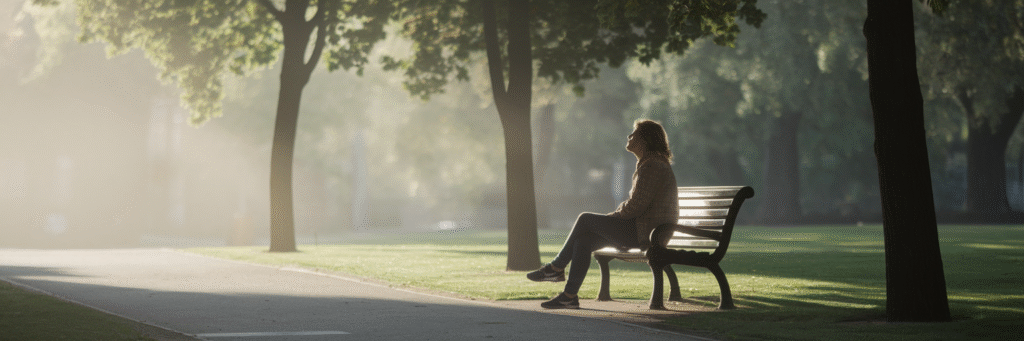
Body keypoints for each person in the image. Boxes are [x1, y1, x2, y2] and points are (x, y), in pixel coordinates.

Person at [526, 119, 678, 309]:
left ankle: (556, 268)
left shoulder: (652, 166)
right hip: (641, 230)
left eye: (634, 134)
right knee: (584, 241)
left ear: (645, 140)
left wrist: (612, 217)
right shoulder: (650, 163)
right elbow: (637, 205)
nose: (629, 137)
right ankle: (569, 296)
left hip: (645, 234)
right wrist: (613, 217)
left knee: (585, 219)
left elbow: (636, 206)